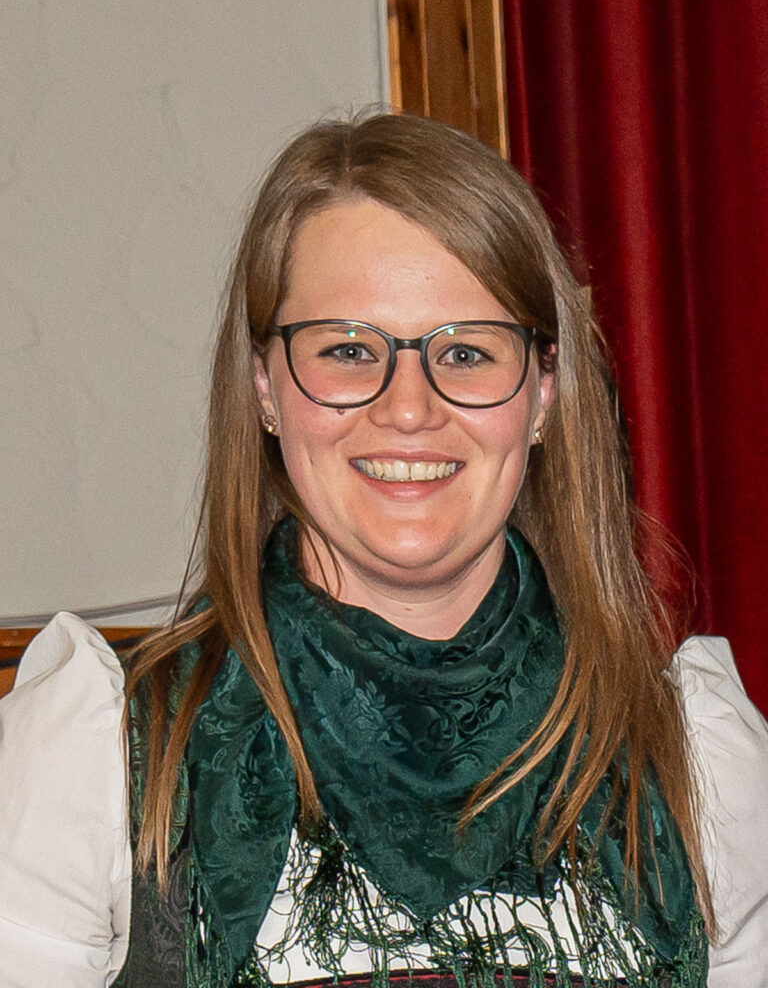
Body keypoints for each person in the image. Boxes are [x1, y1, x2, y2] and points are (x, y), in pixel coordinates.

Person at [1, 113, 767, 988]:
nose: (408, 408)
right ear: (265, 386)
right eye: (349, 350)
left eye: (466, 352)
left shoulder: (700, 769)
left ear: (544, 392)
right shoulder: (99, 760)